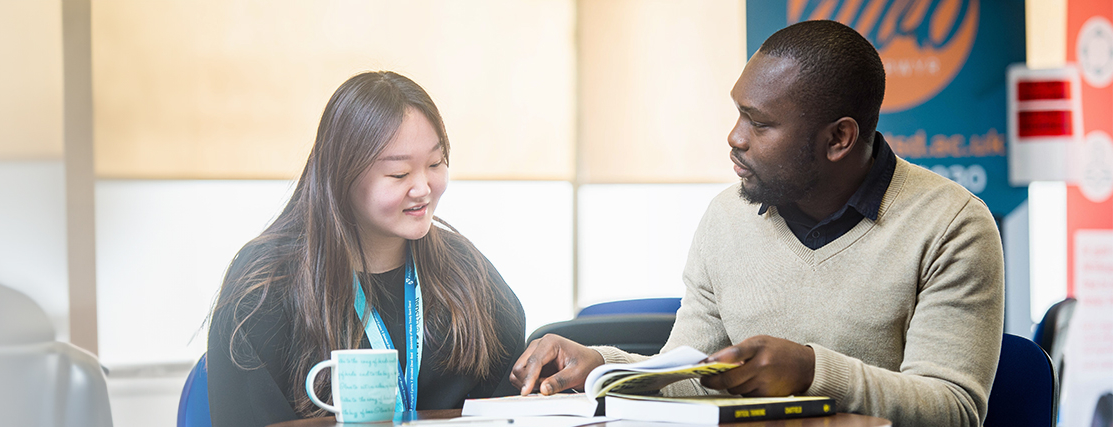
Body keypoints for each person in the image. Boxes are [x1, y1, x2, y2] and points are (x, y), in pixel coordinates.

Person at [509, 20, 1003, 426]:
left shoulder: (951, 225)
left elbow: (954, 409)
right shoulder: (728, 216)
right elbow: (692, 374)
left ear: (838, 139)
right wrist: (604, 365)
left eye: (759, 123)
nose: (735, 137)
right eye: (738, 114)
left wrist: (811, 371)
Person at [206, 71, 526, 427]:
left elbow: (513, 402)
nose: (423, 188)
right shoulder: (266, 284)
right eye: (399, 174)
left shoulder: (465, 272)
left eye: (435, 164)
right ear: (342, 175)